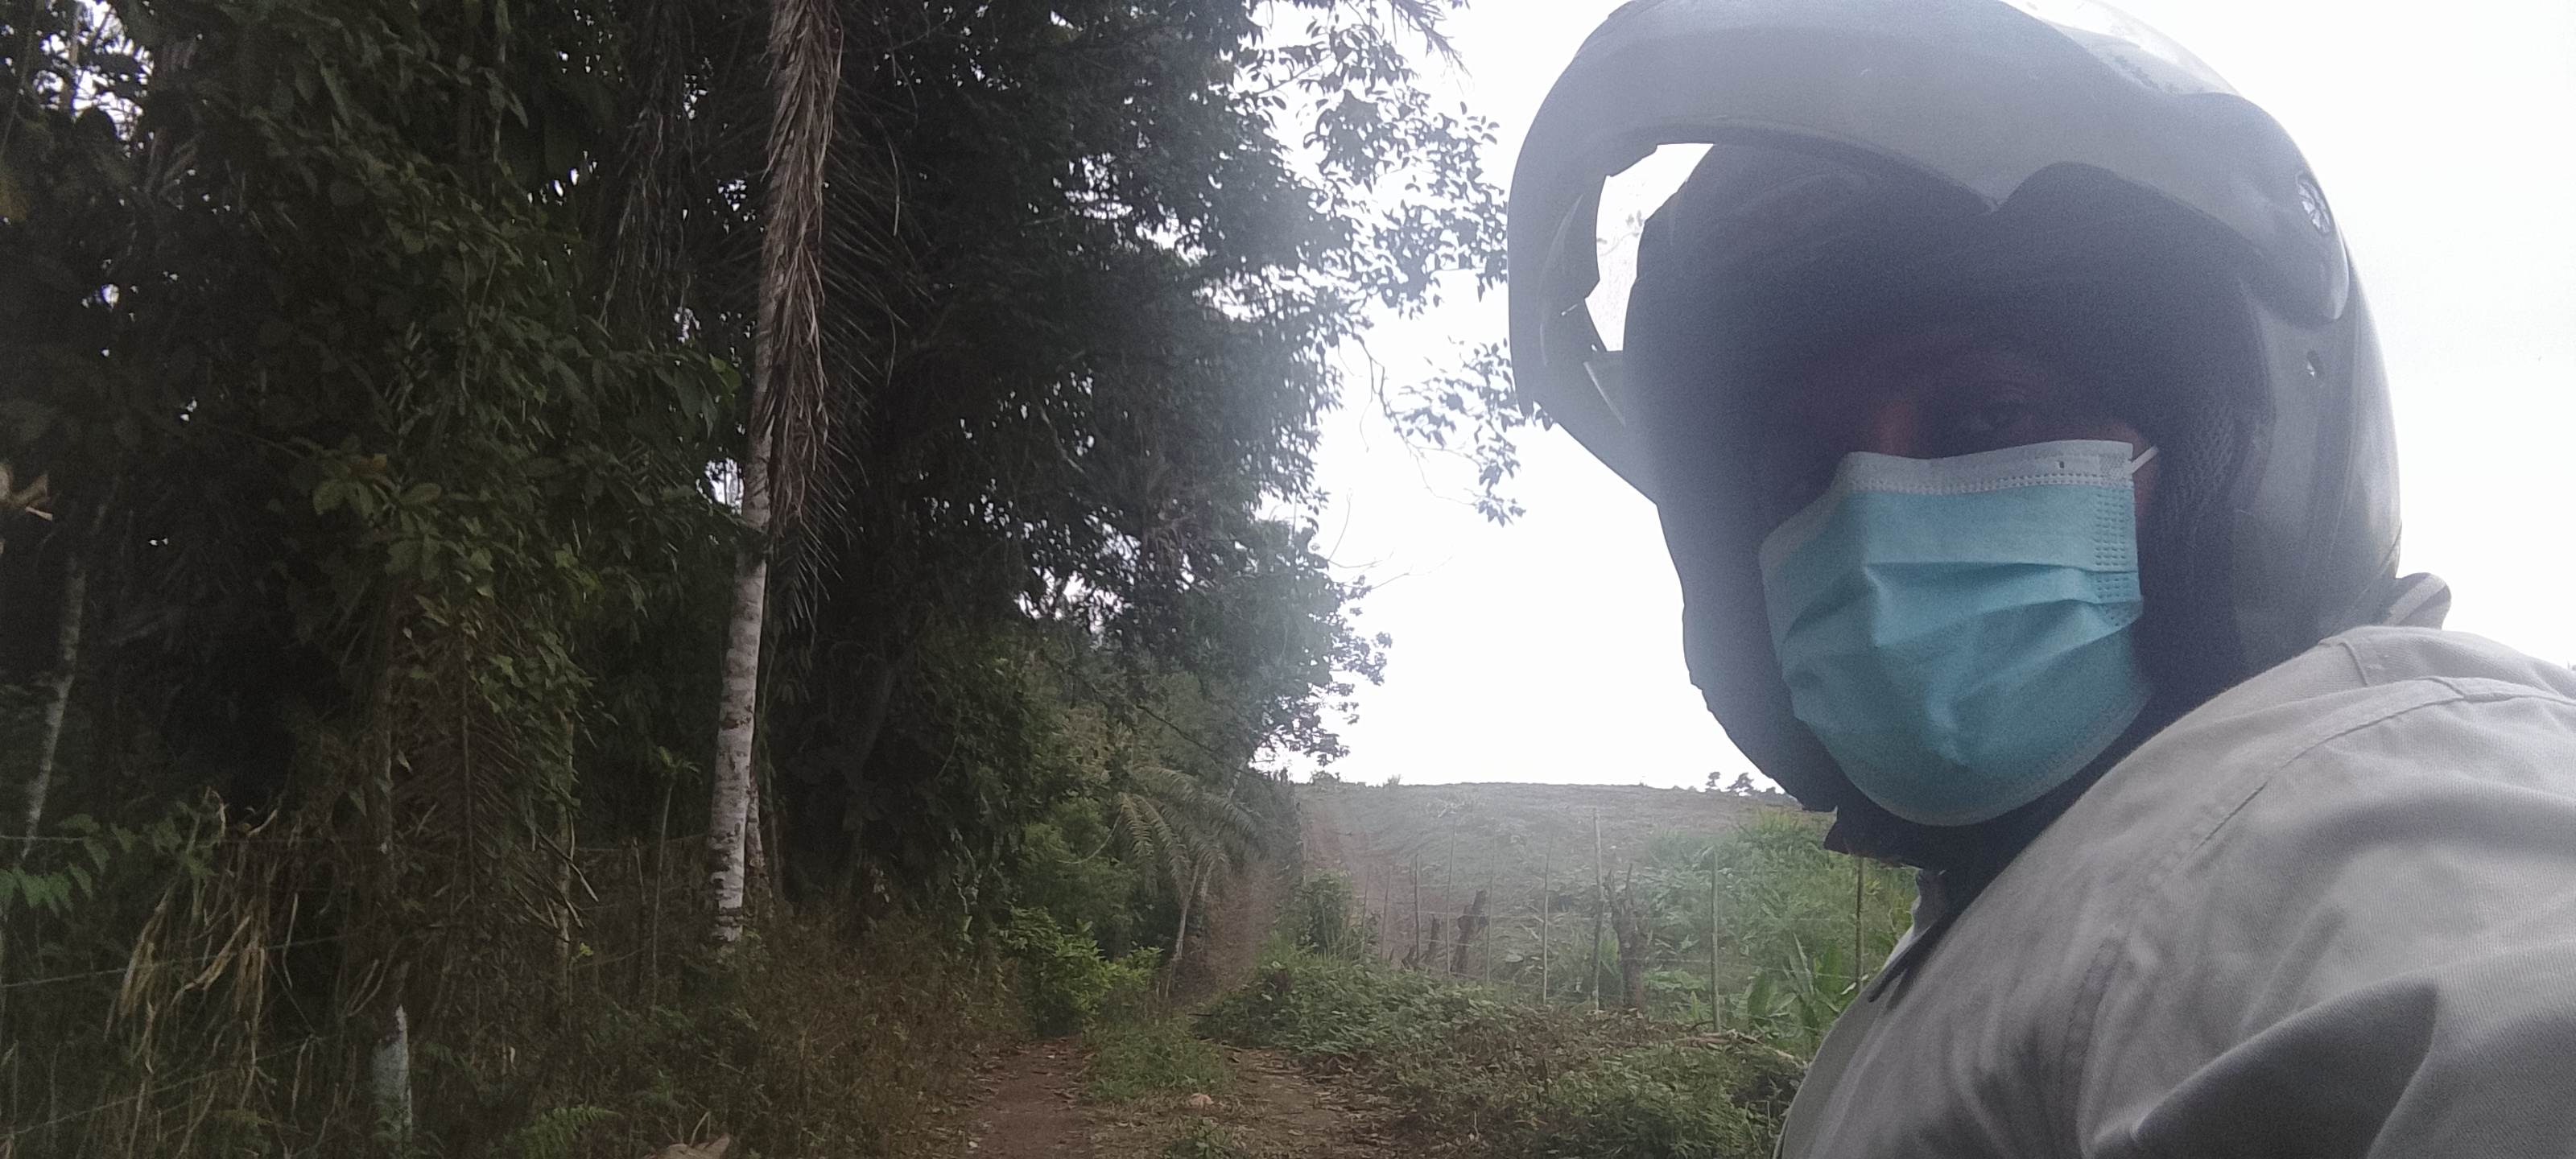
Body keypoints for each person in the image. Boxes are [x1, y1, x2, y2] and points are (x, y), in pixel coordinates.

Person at [1508, 0, 2576, 1153]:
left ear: (2233, 469)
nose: (1870, 517)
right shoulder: (2001, 916)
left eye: (1991, 416)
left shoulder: (2356, 796)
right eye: (1804, 474)